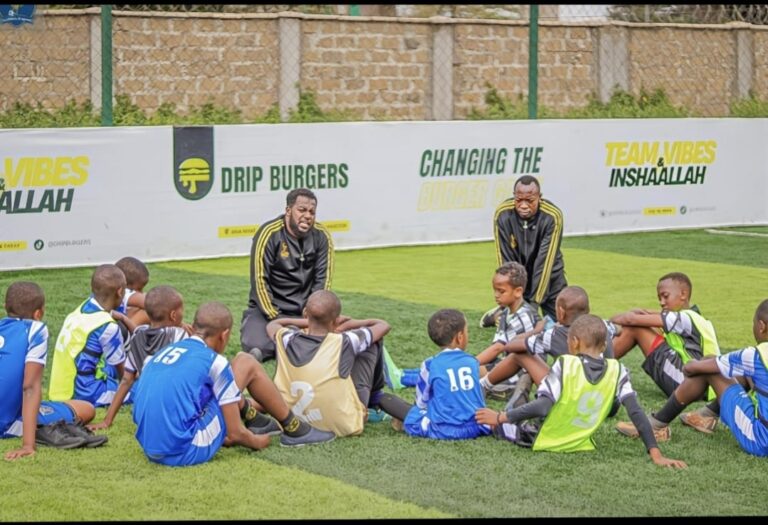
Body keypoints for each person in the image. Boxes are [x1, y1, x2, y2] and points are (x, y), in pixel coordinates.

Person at [132, 301, 335, 467]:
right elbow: (235, 434)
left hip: (149, 447)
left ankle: (256, 419)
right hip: (184, 449)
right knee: (244, 362)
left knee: (222, 382)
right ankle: (294, 429)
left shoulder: (164, 352)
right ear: (224, 334)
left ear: (193, 328)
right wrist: (256, 442)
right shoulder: (214, 361)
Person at [475, 315, 686, 469]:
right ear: (604, 345)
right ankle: (520, 391)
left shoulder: (566, 364)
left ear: (573, 342)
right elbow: (636, 413)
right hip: (580, 442)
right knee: (524, 405)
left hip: (540, 437)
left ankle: (517, 395)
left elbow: (543, 406)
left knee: (485, 423)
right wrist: (656, 454)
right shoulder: (618, 370)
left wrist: (500, 417)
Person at [617, 299, 768, 456]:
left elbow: (700, 367)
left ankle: (656, 425)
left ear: (761, 326)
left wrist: (690, 367)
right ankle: (705, 416)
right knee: (737, 371)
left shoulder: (755, 354)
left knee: (709, 366)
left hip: (759, 441)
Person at [266, 290, 412, 437]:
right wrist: (350, 323)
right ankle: (373, 401)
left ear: (306, 313)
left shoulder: (288, 338)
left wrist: (311, 321)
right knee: (371, 342)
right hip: (344, 424)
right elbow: (383, 325)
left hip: (294, 421)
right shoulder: (344, 340)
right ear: (335, 320)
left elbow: (274, 323)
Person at [1, 282, 104, 460]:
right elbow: (30, 387)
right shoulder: (36, 329)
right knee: (87, 409)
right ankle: (37, 429)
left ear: (5, 307)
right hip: (6, 422)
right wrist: (28, 445)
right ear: (38, 313)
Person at [610, 272, 721, 433]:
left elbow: (630, 320)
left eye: (665, 296)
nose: (662, 302)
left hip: (687, 383)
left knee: (636, 328)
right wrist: (637, 313)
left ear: (683, 294)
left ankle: (595, 366)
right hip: (703, 385)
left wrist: (614, 320)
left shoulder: (684, 318)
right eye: (659, 298)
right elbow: (645, 315)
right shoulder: (696, 318)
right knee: (646, 326)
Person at [478, 286, 618, 408]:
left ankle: (483, 386)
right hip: (605, 402)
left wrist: (536, 331)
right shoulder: (603, 325)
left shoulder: (556, 334)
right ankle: (519, 393)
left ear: (561, 312)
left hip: (574, 399)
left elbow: (510, 346)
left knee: (521, 355)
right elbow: (620, 330)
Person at [240, 188, 334, 363]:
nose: (307, 216)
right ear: (288, 210)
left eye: (312, 212)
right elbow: (259, 280)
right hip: (267, 311)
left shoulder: (322, 236)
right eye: (302, 210)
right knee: (254, 345)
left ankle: (295, 337)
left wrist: (312, 314)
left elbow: (323, 282)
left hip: (304, 312)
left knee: (336, 337)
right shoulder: (268, 233)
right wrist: (276, 318)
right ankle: (292, 339)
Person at [87, 285, 191, 430]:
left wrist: (106, 421)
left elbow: (126, 381)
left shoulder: (138, 338)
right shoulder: (179, 335)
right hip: (173, 410)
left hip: (143, 413)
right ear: (174, 315)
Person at [483, 175, 566, 326]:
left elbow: (544, 263)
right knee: (516, 331)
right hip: (520, 281)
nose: (523, 205)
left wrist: (533, 306)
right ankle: (498, 315)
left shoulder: (552, 216)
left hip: (551, 279)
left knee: (564, 329)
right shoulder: (503, 214)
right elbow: (506, 263)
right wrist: (512, 297)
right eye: (519, 200)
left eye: (529, 200)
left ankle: (502, 313)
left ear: (539, 198)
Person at [397, 309, 492, 440]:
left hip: (443, 430)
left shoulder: (430, 364)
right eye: (467, 331)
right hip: (476, 426)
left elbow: (421, 402)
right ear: (460, 337)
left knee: (413, 415)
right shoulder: (472, 361)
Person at [48, 264, 130, 408]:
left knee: (109, 364)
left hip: (60, 388)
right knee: (137, 388)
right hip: (83, 393)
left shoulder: (82, 308)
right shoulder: (108, 326)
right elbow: (124, 375)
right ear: (120, 292)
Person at [474, 262, 541, 400]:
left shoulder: (523, 316)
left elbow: (498, 348)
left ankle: (508, 389)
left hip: (519, 372)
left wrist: (468, 363)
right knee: (471, 372)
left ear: (518, 291)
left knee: (470, 373)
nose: (496, 295)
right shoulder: (505, 312)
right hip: (505, 363)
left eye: (501, 291)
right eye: (495, 290)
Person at [115, 256, 150, 327]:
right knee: (148, 313)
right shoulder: (126, 292)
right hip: (121, 333)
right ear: (126, 284)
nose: (141, 292)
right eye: (139, 289)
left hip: (116, 327)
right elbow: (153, 303)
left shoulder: (112, 290)